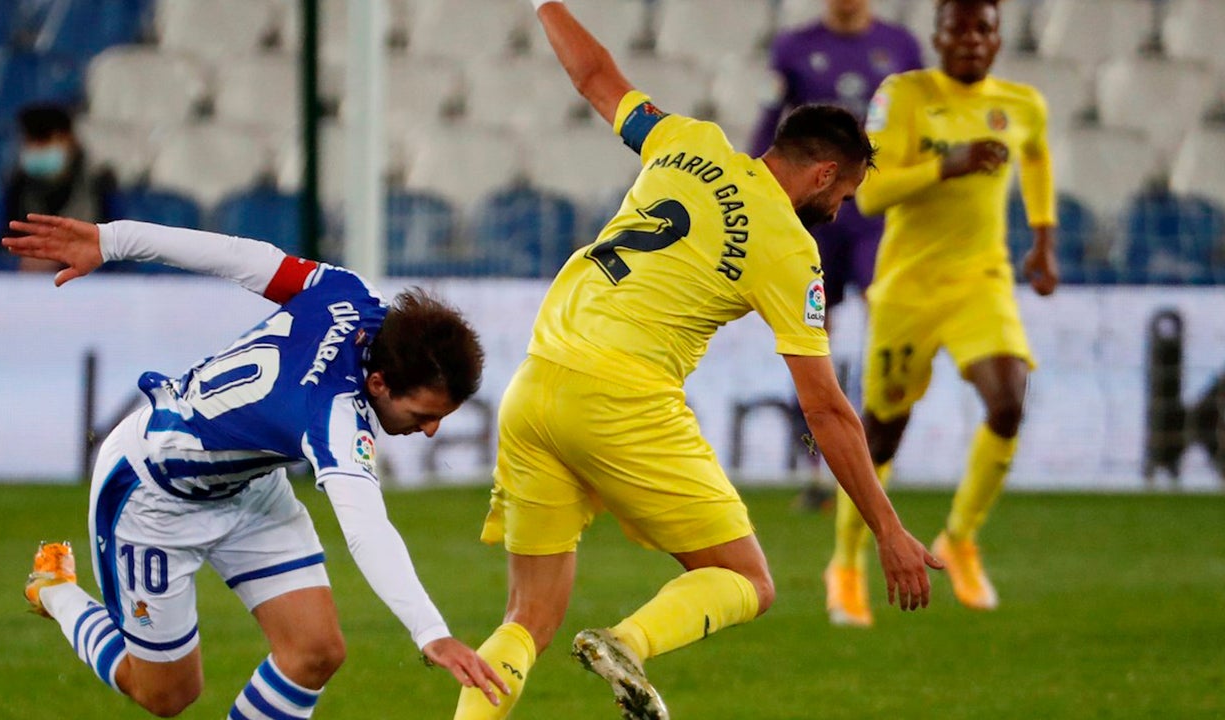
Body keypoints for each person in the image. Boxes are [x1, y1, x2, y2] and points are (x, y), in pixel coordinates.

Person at [452, 2, 941, 719]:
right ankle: (627, 641)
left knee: (526, 618)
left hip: (537, 384)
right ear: (824, 172)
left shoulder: (685, 142)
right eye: (844, 193)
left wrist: (544, 4)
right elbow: (826, 409)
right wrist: (888, 529)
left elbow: (592, 76)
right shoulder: (790, 250)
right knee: (746, 579)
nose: (840, 210)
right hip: (624, 399)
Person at [4, 215, 509, 718]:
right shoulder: (333, 416)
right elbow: (367, 529)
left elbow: (234, 255)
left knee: (315, 652)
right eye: (423, 416)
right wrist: (431, 632)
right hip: (151, 497)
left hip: (247, 488)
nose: (430, 431)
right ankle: (56, 591)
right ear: (378, 383)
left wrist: (111, 239)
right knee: (166, 695)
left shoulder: (348, 293)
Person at [824, 0, 1058, 628]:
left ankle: (961, 536)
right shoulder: (903, 96)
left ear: (998, 37)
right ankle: (846, 563)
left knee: (1009, 400)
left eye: (983, 28)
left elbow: (1035, 156)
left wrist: (1043, 235)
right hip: (907, 287)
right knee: (881, 435)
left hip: (982, 282)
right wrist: (946, 164)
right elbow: (869, 193)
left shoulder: (1023, 105)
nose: (971, 40)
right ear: (938, 36)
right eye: (959, 28)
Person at [750, 0, 923, 509]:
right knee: (810, 342)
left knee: (886, 330)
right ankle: (818, 472)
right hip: (811, 219)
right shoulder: (793, 48)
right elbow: (768, 127)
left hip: (875, 216)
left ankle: (875, 463)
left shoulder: (903, 48)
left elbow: (924, 129)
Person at [4, 105, 115, 272]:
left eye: (45, 140)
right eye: (31, 141)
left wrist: (63, 259)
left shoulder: (99, 184)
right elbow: (0, 244)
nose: (38, 149)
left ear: (69, 140)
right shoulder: (17, 186)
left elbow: (118, 248)